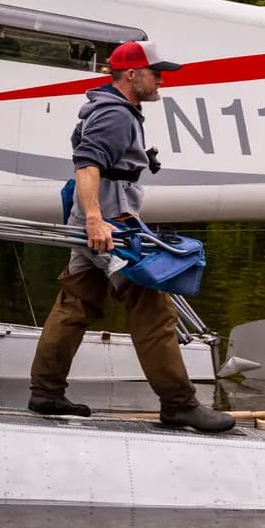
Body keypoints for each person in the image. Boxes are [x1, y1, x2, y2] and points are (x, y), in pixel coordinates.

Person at [27, 40, 235, 433]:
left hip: (93, 223)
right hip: (110, 228)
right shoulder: (116, 115)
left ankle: (46, 392)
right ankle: (179, 405)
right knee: (154, 309)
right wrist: (95, 219)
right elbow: (87, 164)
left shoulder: (109, 109)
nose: (160, 80)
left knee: (76, 304)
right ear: (132, 75)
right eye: (156, 73)